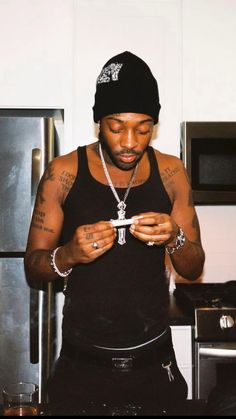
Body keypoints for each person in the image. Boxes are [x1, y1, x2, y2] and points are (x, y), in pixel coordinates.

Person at [24, 51, 205, 414]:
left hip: (155, 364)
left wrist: (174, 237)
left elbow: (192, 266)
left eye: (143, 128)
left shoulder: (171, 172)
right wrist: (69, 254)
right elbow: (33, 266)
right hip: (82, 366)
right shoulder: (63, 173)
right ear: (98, 121)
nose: (129, 142)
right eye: (116, 126)